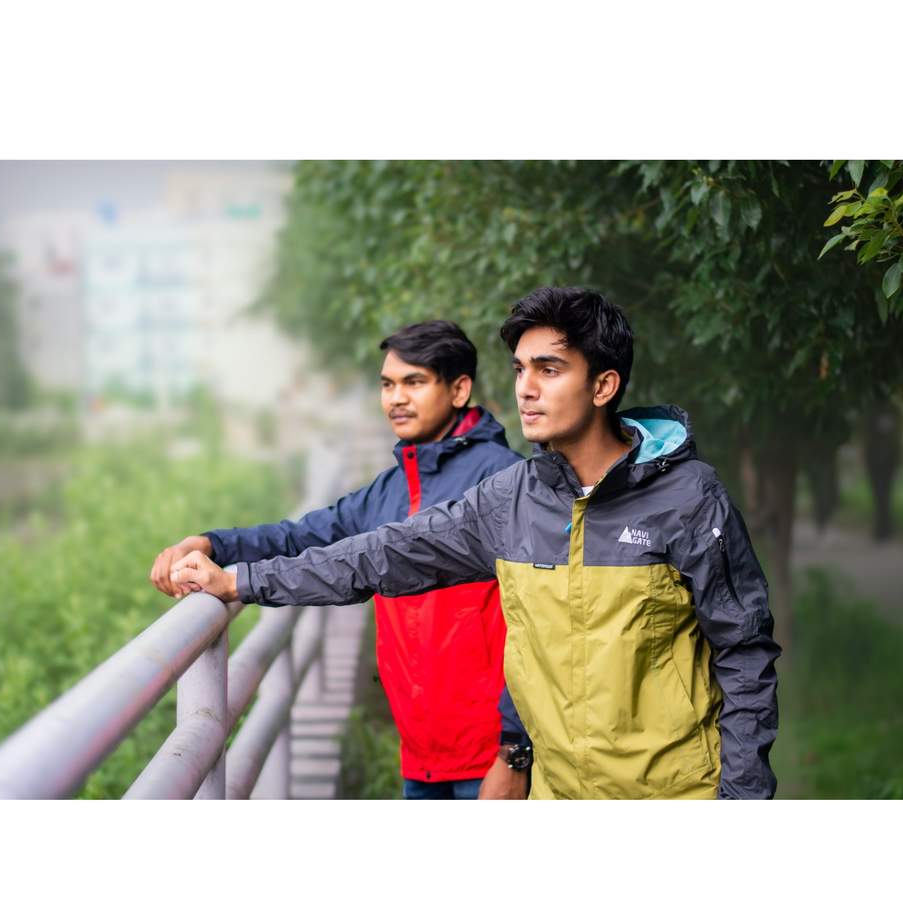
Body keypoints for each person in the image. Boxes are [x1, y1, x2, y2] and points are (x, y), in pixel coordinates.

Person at [170, 288, 780, 800]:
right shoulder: (511, 500)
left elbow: (745, 651)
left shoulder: (689, 497)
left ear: (603, 386)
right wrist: (238, 580)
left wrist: (742, 802)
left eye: (549, 369)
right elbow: (378, 555)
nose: (526, 389)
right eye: (519, 369)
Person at [152, 320, 531, 800]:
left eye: (414, 382)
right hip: (422, 754)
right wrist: (213, 545)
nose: (396, 399)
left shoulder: (505, 482)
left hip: (491, 756)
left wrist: (514, 751)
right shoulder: (391, 489)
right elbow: (303, 536)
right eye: (387, 384)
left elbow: (537, 628)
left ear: (459, 390)